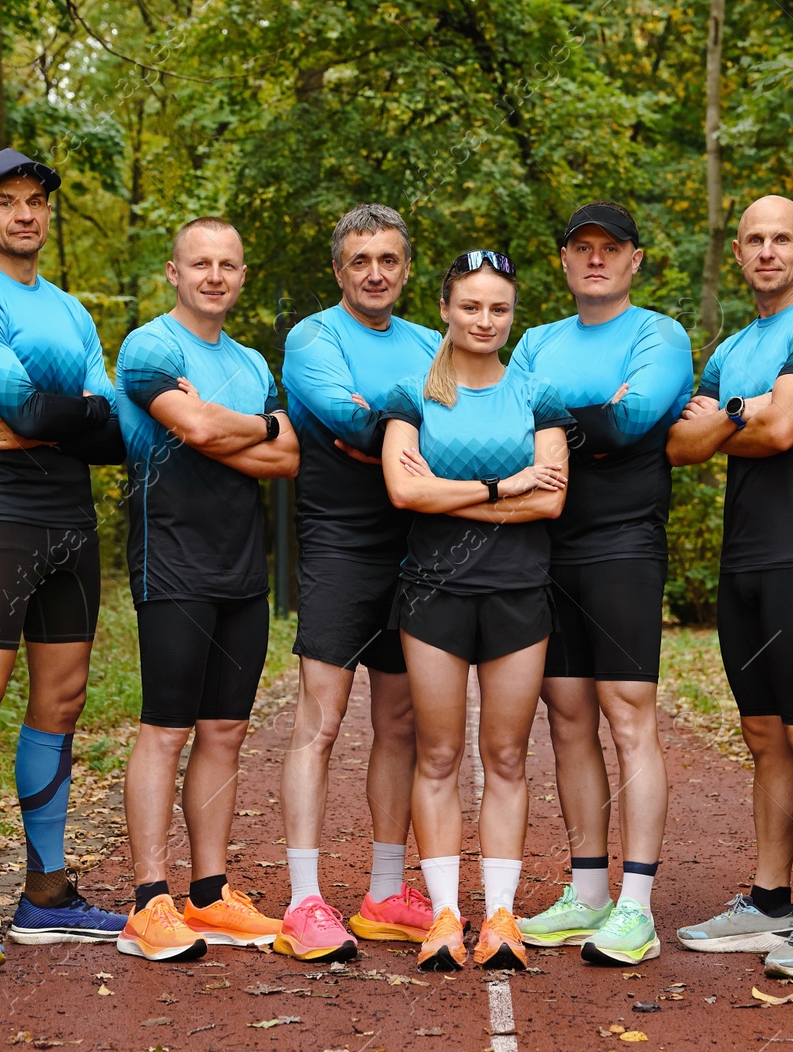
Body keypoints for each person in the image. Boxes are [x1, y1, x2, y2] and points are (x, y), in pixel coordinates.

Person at [0, 149, 127, 979]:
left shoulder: (73, 312)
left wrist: (52, 424)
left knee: (64, 700)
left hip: (71, 524)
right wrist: (61, 416)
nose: (24, 214)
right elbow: (17, 402)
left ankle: (47, 895)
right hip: (2, 519)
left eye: (36, 201)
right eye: (6, 202)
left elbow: (117, 434)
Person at [667, 196, 793, 981]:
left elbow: (783, 431)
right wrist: (752, 406)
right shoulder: (732, 347)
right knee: (764, 735)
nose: (769, 251)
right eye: (755, 239)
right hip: (742, 559)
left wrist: (734, 415)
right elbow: (682, 446)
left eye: (783, 238)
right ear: (739, 252)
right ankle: (769, 899)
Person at [508, 203, 692, 965]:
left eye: (609, 248)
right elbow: (501, 423)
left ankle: (636, 906)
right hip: (545, 546)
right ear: (563, 259)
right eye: (580, 246)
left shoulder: (660, 334)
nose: (595, 259)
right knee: (568, 716)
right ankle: (586, 893)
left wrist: (559, 428)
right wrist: (597, 419)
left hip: (623, 544)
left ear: (634, 259)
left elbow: (636, 420)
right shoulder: (536, 341)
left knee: (627, 715)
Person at [379, 251, 574, 971]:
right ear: (446, 309)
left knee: (505, 756)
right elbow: (405, 495)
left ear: (511, 313)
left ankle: (499, 915)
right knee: (437, 753)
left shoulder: (538, 393)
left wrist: (456, 488)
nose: (484, 320)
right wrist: (503, 487)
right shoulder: (412, 392)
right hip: (432, 591)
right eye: (470, 306)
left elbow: (551, 498)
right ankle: (443, 916)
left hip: (520, 592)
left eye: (497, 308)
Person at [112, 218, 300, 962]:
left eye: (227, 264)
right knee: (167, 728)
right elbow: (191, 428)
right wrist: (249, 430)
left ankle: (209, 892)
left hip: (240, 569)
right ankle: (148, 901)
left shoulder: (253, 361)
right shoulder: (149, 346)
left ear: (242, 275)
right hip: (173, 562)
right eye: (200, 264)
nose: (214, 275)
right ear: (174, 272)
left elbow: (286, 456)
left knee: (225, 731)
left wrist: (241, 427)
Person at [276, 205, 441, 962]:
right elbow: (350, 423)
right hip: (340, 544)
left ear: (407, 268)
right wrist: (425, 433)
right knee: (321, 721)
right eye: (359, 260)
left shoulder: (433, 344)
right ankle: (304, 900)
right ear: (339, 270)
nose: (375, 272)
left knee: (401, 722)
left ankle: (382, 891)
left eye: (389, 259)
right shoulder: (312, 337)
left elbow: (466, 415)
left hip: (419, 546)